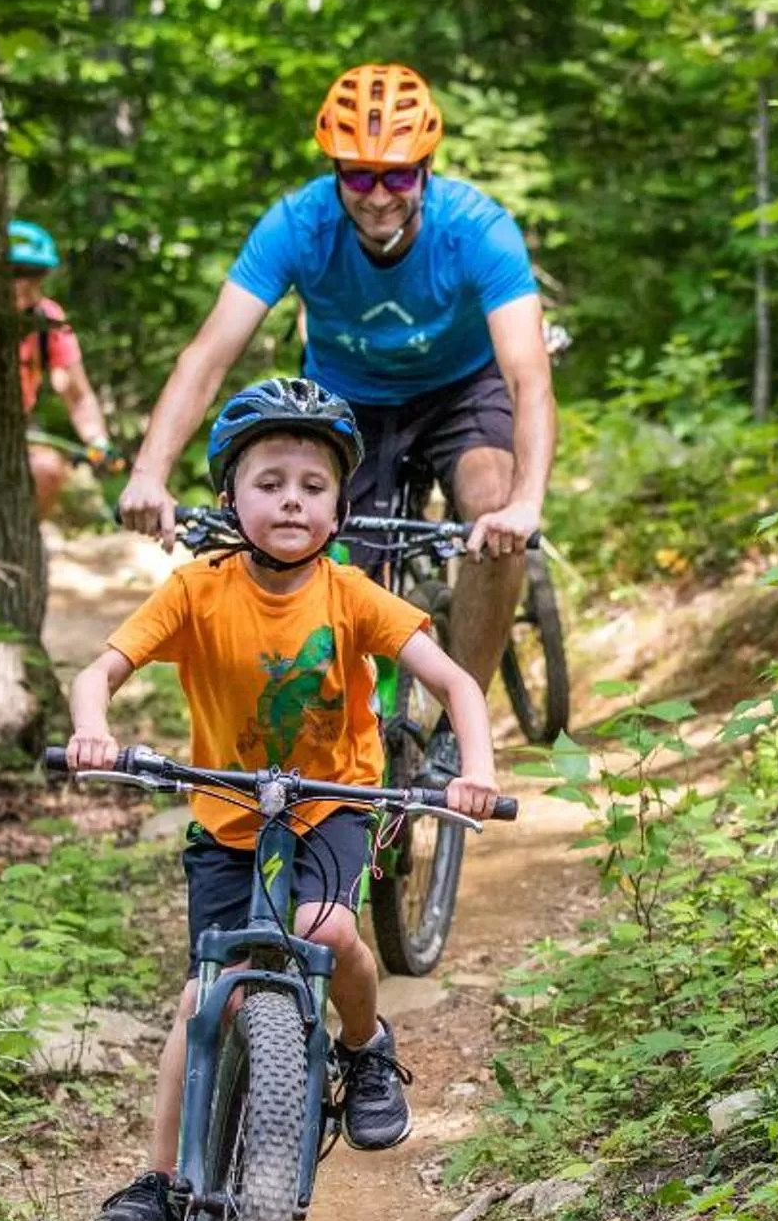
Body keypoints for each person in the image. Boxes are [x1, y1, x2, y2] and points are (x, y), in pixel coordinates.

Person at [68, 378, 502, 1221]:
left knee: (325, 927)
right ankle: (163, 1185)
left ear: (342, 506)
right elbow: (98, 673)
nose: (291, 501)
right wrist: (92, 731)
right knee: (202, 997)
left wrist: (476, 773)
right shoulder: (196, 589)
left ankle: (366, 1046)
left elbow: (454, 682)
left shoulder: (350, 596)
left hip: (331, 805)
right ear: (231, 498)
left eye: (312, 485)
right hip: (229, 820)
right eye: (270, 483)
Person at [117, 64, 555, 734]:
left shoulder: (478, 228)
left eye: (398, 176)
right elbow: (207, 358)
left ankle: (454, 725)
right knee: (328, 560)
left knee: (493, 517)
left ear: (427, 168)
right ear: (334, 173)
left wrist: (526, 504)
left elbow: (527, 376)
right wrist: (149, 473)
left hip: (460, 389)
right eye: (358, 176)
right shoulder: (298, 224)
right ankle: (357, 730)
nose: (378, 195)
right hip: (348, 400)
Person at [13, 220, 119, 519]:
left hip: (17, 428)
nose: (25, 284)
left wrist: (97, 440)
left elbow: (76, 393)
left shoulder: (48, 319)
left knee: (46, 470)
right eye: (16, 273)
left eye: (35, 275)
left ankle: (24, 537)